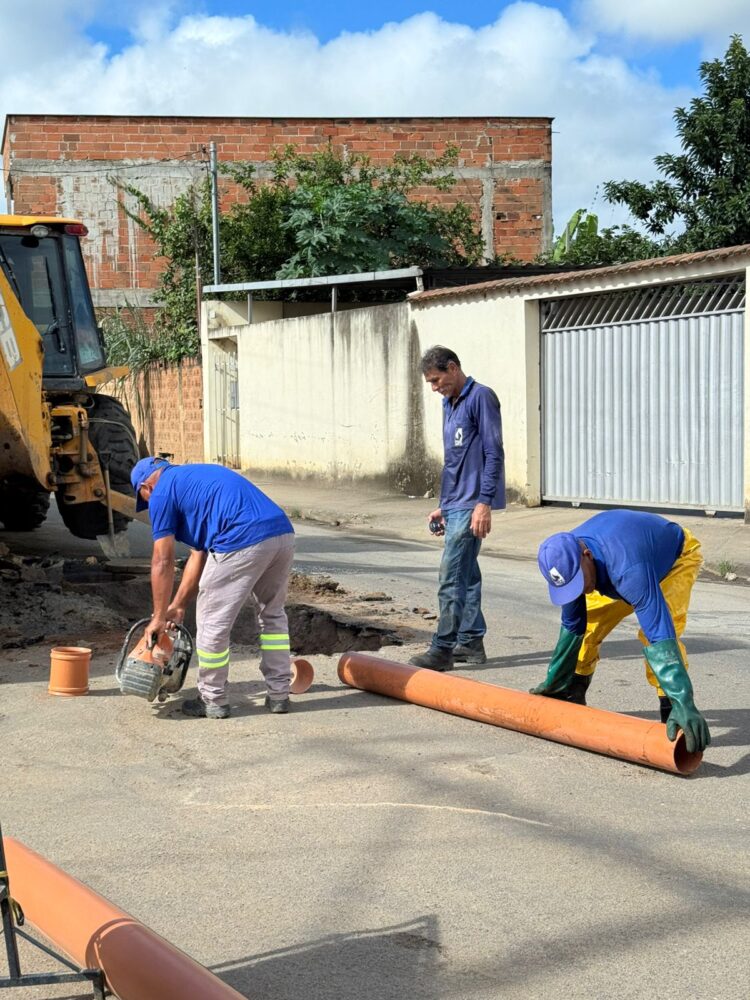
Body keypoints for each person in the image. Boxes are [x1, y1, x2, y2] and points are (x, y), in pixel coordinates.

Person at [533, 509, 711, 753]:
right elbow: (575, 624)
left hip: (674, 560)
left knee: (658, 631)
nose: (581, 591)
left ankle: (673, 711)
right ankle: (572, 691)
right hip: (622, 559)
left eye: (579, 583)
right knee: (590, 626)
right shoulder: (566, 559)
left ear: (587, 555)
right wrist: (556, 679)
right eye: (569, 588)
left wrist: (684, 700)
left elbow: (660, 634)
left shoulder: (628, 570)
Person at [131, 456, 296, 719]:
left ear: (147, 486)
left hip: (241, 537)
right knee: (272, 615)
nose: (149, 505)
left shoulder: (161, 492)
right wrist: (178, 605)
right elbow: (199, 555)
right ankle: (279, 694)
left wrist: (158, 617)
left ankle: (212, 698)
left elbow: (162, 560)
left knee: (212, 623)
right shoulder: (194, 481)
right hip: (282, 534)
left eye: (144, 498)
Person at [409, 346, 505, 671]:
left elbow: (494, 453)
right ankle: (471, 640)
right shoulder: (448, 404)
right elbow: (453, 461)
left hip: (473, 503)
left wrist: (484, 503)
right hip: (456, 503)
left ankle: (443, 648)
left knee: (451, 575)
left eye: (437, 380)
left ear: (452, 368)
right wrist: (443, 505)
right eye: (431, 383)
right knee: (468, 574)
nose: (435, 387)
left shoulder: (481, 398)